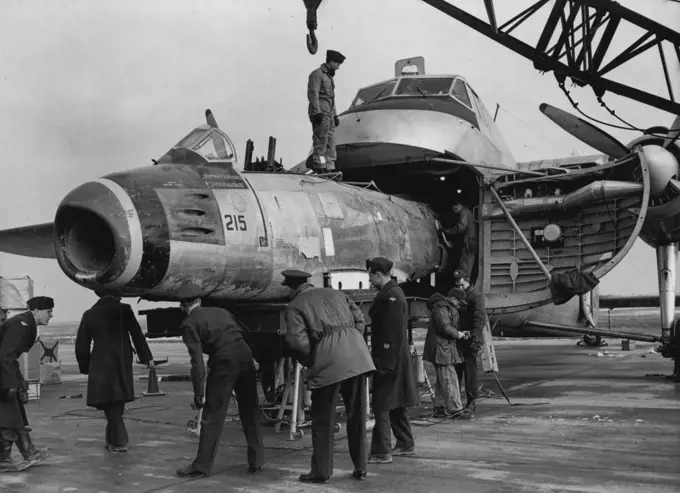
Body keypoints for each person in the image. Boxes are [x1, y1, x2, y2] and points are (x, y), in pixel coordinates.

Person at [282, 269, 375, 484]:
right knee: (357, 415)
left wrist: (310, 360)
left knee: (323, 419)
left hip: (328, 363)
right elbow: (360, 320)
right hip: (358, 358)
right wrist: (351, 341)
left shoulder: (295, 306)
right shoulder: (337, 294)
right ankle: (361, 467)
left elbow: (297, 342)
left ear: (291, 287)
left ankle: (321, 472)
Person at [175, 284, 264, 478]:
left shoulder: (189, 323)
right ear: (199, 300)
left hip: (224, 360)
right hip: (244, 354)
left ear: (182, 306)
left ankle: (202, 466)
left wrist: (199, 395)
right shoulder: (221, 311)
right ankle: (257, 460)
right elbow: (244, 332)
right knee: (250, 409)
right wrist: (253, 358)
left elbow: (197, 363)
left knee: (213, 414)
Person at [75, 290, 155, 453]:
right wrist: (146, 357)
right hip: (122, 360)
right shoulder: (124, 309)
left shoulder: (89, 314)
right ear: (117, 295)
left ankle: (116, 440)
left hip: (100, 362)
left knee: (107, 400)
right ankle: (115, 440)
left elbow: (81, 345)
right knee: (117, 398)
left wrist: (85, 366)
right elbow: (136, 334)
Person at [365, 257, 419, 464]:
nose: (369, 279)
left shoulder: (392, 296)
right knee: (396, 403)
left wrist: (385, 362)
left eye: (370, 275)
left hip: (389, 359)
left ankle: (381, 451)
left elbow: (392, 333)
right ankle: (405, 443)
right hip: (392, 358)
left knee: (382, 404)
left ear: (378, 274)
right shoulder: (390, 293)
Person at [0, 296, 53, 472]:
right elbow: (5, 355)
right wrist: (10, 383)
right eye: (48, 311)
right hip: (2, 371)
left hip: (6, 369)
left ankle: (29, 452)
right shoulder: (20, 324)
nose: (50, 315)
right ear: (36, 311)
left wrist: (19, 380)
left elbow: (11, 357)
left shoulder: (26, 323)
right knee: (7, 417)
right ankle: (3, 460)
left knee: (17, 414)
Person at [424, 287, 470, 418]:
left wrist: (459, 333)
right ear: (453, 298)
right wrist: (459, 334)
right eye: (459, 303)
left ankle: (440, 407)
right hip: (440, 348)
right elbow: (445, 327)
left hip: (442, 348)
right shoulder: (441, 309)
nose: (460, 306)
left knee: (442, 379)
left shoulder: (444, 307)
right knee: (450, 379)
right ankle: (455, 409)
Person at [452, 270, 486, 414]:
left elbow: (479, 319)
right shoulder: (462, 294)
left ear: (468, 281)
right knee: (457, 370)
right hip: (459, 337)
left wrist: (476, 338)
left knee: (470, 371)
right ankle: (457, 400)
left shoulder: (476, 296)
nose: (460, 288)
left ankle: (471, 401)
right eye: (457, 285)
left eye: (462, 285)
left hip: (470, 338)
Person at [307, 49, 346, 173]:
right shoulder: (317, 74)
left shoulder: (329, 77)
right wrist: (316, 112)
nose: (338, 68)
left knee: (331, 142)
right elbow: (313, 94)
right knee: (321, 141)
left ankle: (330, 167)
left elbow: (331, 99)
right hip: (321, 112)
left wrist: (334, 115)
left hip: (329, 113)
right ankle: (320, 167)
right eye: (337, 64)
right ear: (331, 62)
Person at [443, 201, 478, 277]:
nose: (455, 211)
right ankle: (466, 278)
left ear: (459, 204)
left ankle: (465, 279)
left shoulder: (464, 212)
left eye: (455, 208)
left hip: (470, 241)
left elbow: (461, 227)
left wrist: (447, 231)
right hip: (472, 240)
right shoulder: (469, 212)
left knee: (466, 262)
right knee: (469, 261)